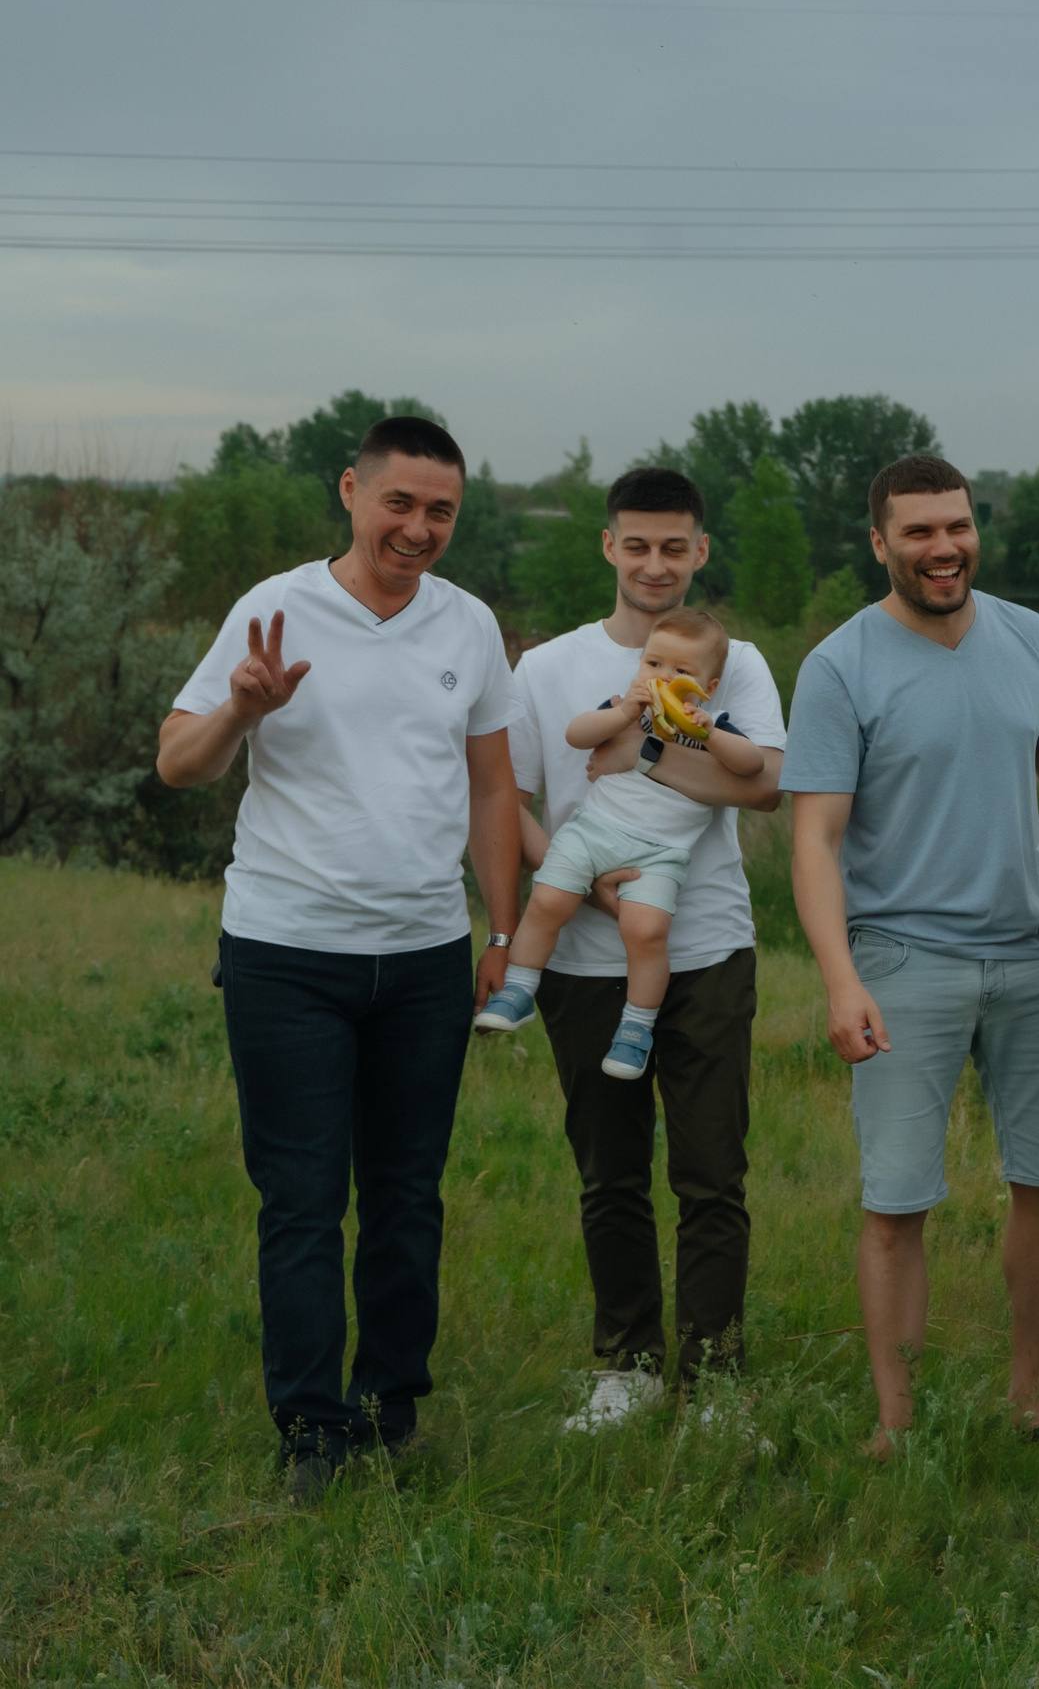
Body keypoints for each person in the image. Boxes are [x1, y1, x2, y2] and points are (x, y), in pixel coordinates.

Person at [155, 416, 520, 1501]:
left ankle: (389, 1407)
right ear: (352, 492)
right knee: (304, 1198)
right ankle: (310, 1429)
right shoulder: (272, 609)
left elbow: (495, 789)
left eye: (441, 511)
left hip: (421, 958)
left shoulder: (469, 627)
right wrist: (240, 708)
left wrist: (502, 933)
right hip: (286, 952)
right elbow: (179, 764)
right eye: (399, 504)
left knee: (408, 1194)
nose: (418, 529)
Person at [785, 453, 1039, 1458]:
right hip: (901, 959)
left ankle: (1034, 1395)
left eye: (955, 526)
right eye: (917, 532)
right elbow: (815, 839)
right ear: (879, 543)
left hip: (1032, 957)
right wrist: (839, 979)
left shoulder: (1029, 638)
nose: (942, 547)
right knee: (896, 1196)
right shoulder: (840, 665)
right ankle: (896, 1419)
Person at [503, 467, 785, 1428]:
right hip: (584, 957)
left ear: (699, 550)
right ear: (609, 547)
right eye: (638, 545)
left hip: (706, 945)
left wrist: (649, 753)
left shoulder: (731, 661)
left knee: (713, 1172)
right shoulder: (546, 668)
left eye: (675, 546)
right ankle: (627, 1365)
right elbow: (512, 805)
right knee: (609, 1173)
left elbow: (761, 789)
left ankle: (716, 1377)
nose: (655, 563)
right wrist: (582, 886)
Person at [478, 607, 765, 1079]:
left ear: (707, 688)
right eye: (654, 664)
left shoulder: (714, 726)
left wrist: (709, 731)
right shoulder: (625, 710)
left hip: (661, 853)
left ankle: (635, 1028)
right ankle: (520, 989)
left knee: (646, 931)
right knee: (548, 900)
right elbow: (576, 735)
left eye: (682, 671)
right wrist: (625, 713)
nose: (663, 677)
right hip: (592, 831)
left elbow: (752, 765)